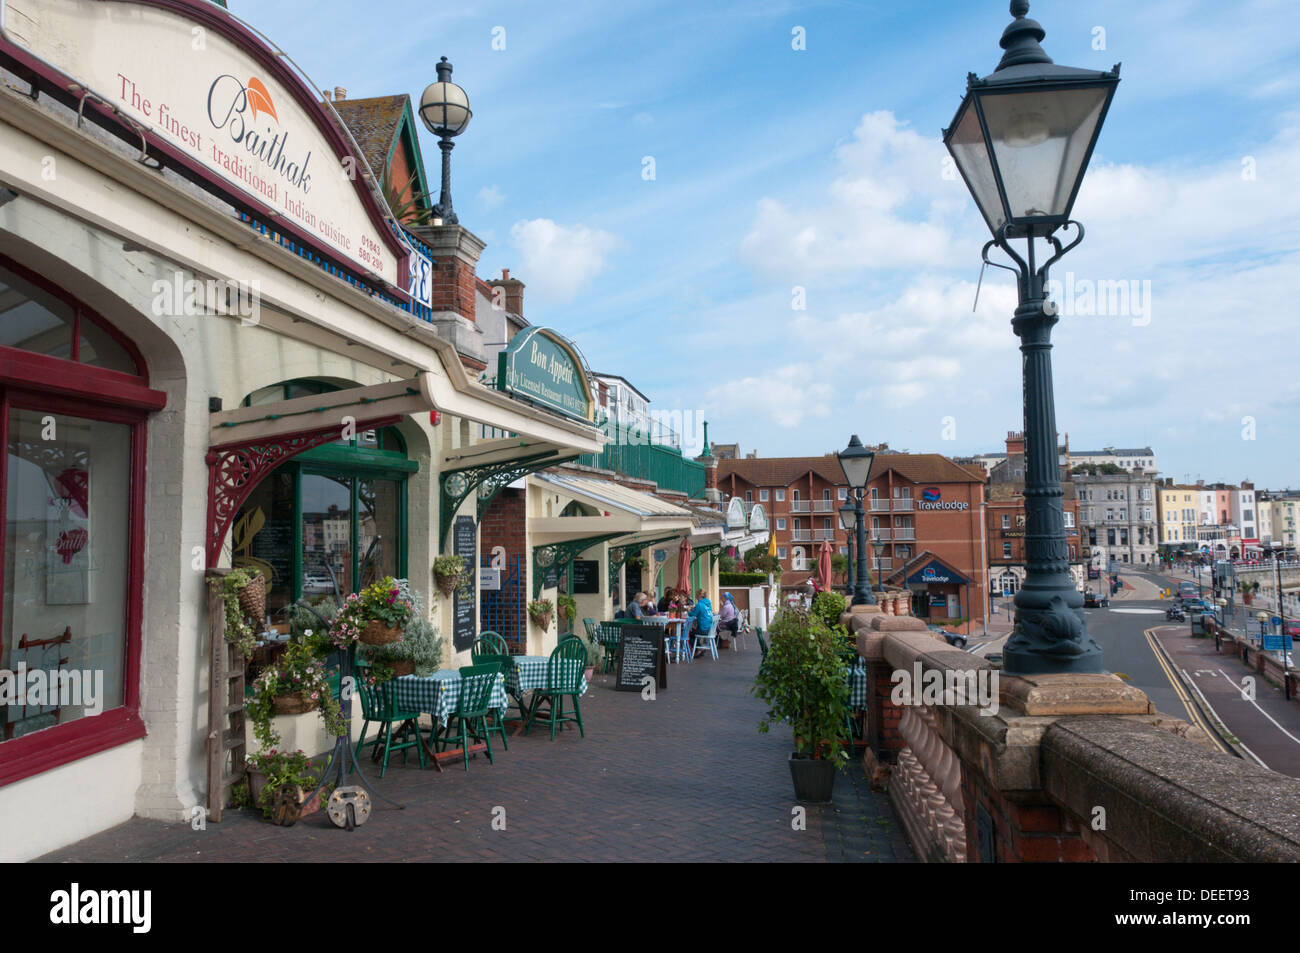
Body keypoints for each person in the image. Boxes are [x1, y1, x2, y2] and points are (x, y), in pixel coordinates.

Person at [687, 588, 714, 654]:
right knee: (694, 631)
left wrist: (688, 611)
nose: (695, 597)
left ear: (700, 596)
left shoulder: (699, 605)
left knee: (690, 633)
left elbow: (692, 614)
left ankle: (698, 650)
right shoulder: (708, 603)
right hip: (710, 629)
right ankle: (699, 648)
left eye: (696, 595)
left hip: (703, 629)